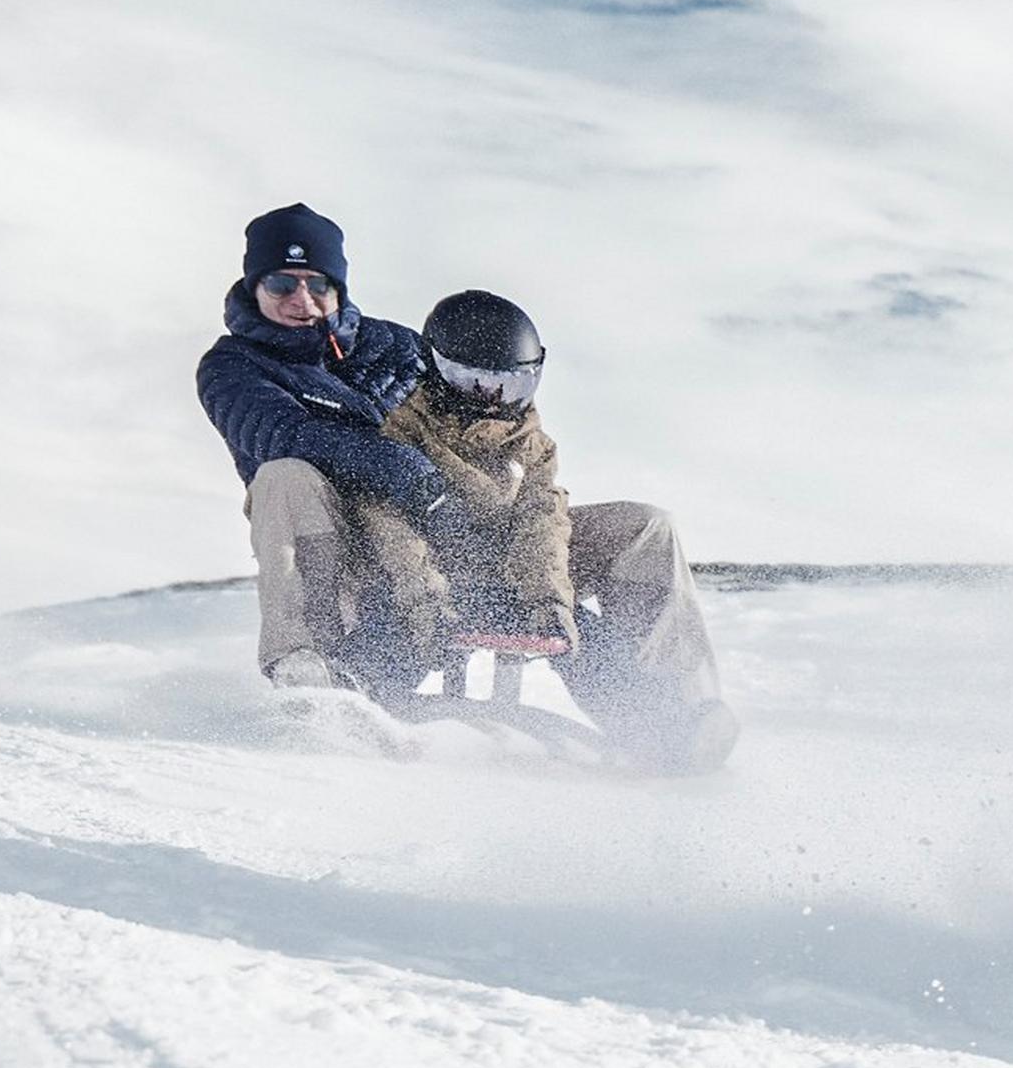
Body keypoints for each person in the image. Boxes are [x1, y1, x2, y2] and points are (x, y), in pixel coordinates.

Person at [193, 207, 740, 772]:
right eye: (282, 282)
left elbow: (485, 409)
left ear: (339, 286)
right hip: (354, 545)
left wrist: (499, 509)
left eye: (317, 284)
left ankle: (678, 716)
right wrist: (411, 477)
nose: (300, 300)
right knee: (283, 474)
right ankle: (311, 671)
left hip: (470, 530)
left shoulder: (398, 346)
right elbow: (284, 432)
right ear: (255, 283)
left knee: (645, 527)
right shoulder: (231, 367)